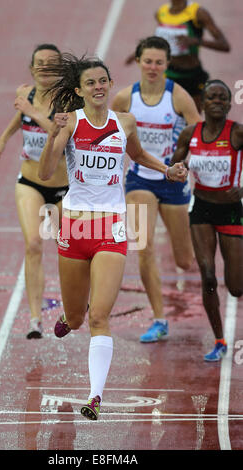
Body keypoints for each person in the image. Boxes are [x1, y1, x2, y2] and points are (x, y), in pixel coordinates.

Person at [30, 53, 187, 420]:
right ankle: (69, 319)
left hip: (112, 227)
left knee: (99, 314)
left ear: (110, 83)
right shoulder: (71, 124)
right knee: (78, 317)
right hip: (75, 226)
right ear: (79, 90)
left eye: (103, 81)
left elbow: (139, 155)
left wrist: (168, 169)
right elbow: (46, 171)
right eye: (91, 83)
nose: (99, 87)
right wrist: (54, 132)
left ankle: (95, 396)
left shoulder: (125, 122)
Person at [112, 36, 201, 343]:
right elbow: (107, 136)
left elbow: (199, 134)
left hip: (173, 181)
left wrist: (186, 165)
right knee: (144, 248)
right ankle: (159, 319)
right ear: (138, 61)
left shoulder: (178, 97)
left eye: (159, 62)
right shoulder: (124, 99)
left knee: (184, 261)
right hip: (139, 180)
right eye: (147, 61)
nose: (152, 67)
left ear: (167, 65)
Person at [0, 44, 69, 339]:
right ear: (32, 68)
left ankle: (73, 306)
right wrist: (2, 140)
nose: (45, 67)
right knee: (34, 243)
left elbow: (57, 132)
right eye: (40, 63)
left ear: (60, 69)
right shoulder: (26, 94)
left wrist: (31, 110)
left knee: (69, 248)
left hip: (64, 187)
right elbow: (19, 118)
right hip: (29, 182)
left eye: (52, 63)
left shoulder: (70, 100)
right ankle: (35, 319)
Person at [170, 79, 243, 361]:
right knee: (208, 276)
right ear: (202, 102)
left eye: (221, 97)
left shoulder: (236, 133)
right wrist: (176, 169)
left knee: (236, 288)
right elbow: (174, 165)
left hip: (232, 210)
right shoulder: (191, 133)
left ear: (228, 104)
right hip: (201, 209)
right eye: (210, 97)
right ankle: (220, 340)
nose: (215, 101)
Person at [125, 0, 230, 112]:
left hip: (191, 76)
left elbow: (224, 45)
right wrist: (140, 50)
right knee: (166, 116)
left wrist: (196, 41)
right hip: (168, 74)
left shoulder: (197, 13)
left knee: (192, 119)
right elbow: (161, 38)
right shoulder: (161, 12)